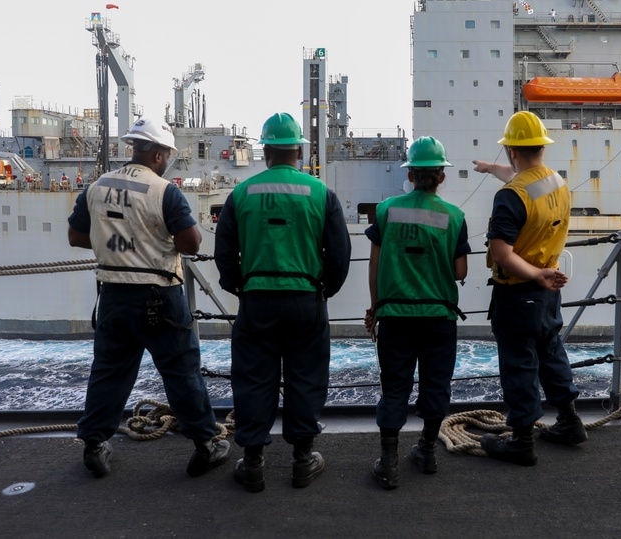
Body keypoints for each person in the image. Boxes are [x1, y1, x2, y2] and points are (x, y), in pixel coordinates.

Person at [67, 117, 230, 478]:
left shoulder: (96, 187)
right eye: (167, 154)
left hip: (112, 295)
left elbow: (76, 237)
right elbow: (191, 243)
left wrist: (117, 245)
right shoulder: (163, 191)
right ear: (157, 155)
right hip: (160, 297)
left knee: (109, 373)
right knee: (181, 373)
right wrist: (150, 246)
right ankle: (206, 444)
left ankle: (94, 444)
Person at [214, 112, 351, 493]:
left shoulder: (241, 194)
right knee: (306, 376)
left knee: (254, 378)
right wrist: (324, 288)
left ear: (266, 151)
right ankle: (303, 461)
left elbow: (224, 252)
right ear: (298, 151)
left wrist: (240, 287)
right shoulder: (321, 193)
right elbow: (339, 254)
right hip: (306, 299)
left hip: (257, 301)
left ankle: (254, 464)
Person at [476, 111, 586, 466]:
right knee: (551, 352)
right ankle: (570, 421)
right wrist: (491, 170)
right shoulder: (556, 182)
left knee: (519, 365)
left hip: (519, 291)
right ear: (541, 147)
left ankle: (521, 440)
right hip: (548, 291)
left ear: (511, 150)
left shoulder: (510, 197)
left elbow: (501, 252)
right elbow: (524, 181)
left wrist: (534, 275)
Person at [365, 137, 470, 490]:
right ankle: (426, 452)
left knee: (395, 388)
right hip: (439, 318)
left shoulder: (386, 211)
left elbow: (375, 265)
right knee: (435, 385)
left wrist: (374, 308)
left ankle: (389, 464)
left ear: (409, 174)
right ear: (442, 177)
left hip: (395, 316)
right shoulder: (454, 217)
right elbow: (460, 272)